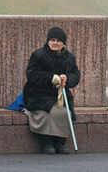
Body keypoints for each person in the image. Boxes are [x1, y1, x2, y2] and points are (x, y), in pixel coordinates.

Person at [23, 26, 80, 155]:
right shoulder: (38, 55)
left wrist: (67, 78)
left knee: (64, 113)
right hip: (38, 93)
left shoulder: (70, 57)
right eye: (52, 40)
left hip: (59, 95)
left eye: (58, 40)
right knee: (45, 113)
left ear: (63, 43)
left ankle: (60, 143)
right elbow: (31, 74)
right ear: (48, 41)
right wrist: (51, 78)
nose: (55, 43)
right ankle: (47, 143)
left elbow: (76, 74)